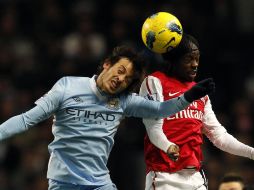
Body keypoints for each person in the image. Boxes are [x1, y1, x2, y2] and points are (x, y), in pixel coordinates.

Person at [0, 45, 214, 190]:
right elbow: (26, 119)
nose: (121, 79)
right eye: (120, 70)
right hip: (63, 181)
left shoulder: (124, 100)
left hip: (100, 182)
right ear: (106, 65)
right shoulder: (67, 86)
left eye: (127, 78)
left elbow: (160, 110)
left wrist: (190, 96)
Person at [139, 34, 254, 190]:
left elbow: (219, 136)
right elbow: (153, 128)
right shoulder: (154, 81)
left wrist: (251, 152)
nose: (194, 64)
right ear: (173, 60)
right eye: (188, 59)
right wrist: (168, 146)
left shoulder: (200, 93)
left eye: (197, 59)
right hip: (164, 177)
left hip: (195, 178)